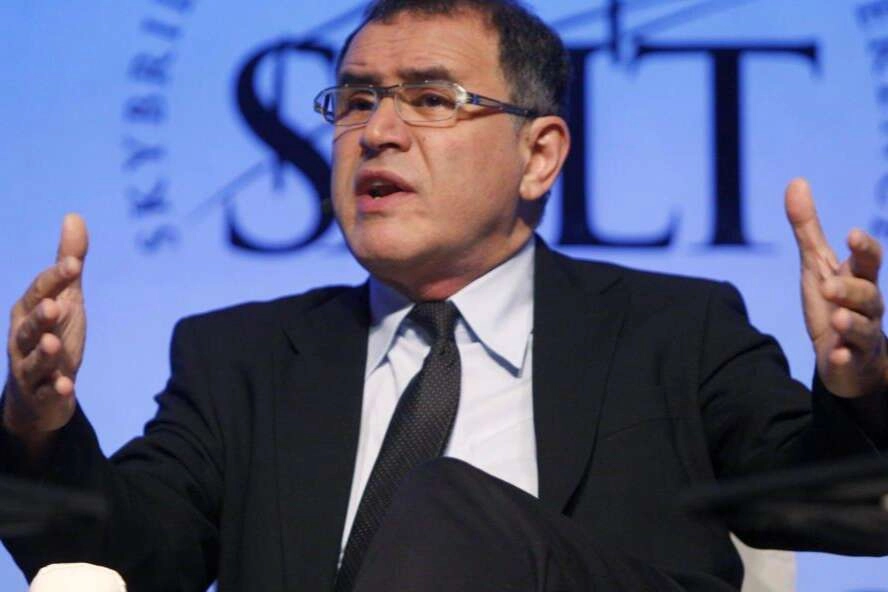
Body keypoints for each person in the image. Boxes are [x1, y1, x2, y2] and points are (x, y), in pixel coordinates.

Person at [2, 1, 886, 590]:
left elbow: (849, 512)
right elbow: (116, 562)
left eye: (430, 98)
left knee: (441, 505)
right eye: (355, 101)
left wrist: (859, 391)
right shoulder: (243, 360)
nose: (377, 132)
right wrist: (36, 424)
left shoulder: (674, 330)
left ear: (539, 154)